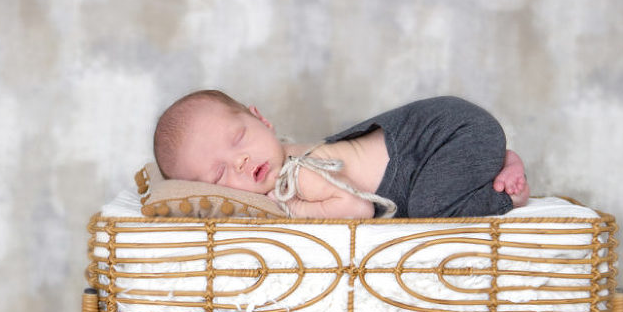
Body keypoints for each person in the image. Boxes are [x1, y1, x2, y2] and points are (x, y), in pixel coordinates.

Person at [152, 90, 530, 220]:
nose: (240, 162)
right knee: (426, 196)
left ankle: (504, 194)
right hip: (445, 139)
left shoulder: (299, 175)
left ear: (261, 119)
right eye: (220, 175)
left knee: (430, 210)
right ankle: (491, 161)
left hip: (451, 133)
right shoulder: (290, 158)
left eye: (239, 139)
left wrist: (296, 212)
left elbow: (356, 209)